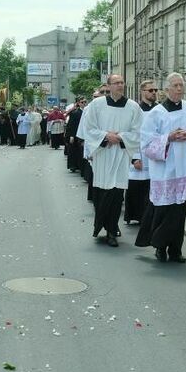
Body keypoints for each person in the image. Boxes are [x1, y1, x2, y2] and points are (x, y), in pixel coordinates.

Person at [136, 73, 186, 263]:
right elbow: (146, 142)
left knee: (181, 210)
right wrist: (168, 137)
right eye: (175, 85)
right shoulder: (156, 113)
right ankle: (160, 248)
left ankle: (176, 250)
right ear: (166, 89)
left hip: (185, 169)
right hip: (165, 170)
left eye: (181, 85)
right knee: (164, 210)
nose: (179, 89)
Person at [80, 74, 145, 247]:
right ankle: (101, 225)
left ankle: (111, 230)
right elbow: (88, 128)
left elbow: (138, 131)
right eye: (116, 83)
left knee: (116, 194)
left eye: (122, 82)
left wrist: (120, 137)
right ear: (108, 86)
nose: (120, 85)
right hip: (103, 154)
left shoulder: (133, 107)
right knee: (102, 193)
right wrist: (106, 136)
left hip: (120, 155)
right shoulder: (97, 105)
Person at [124, 81, 158, 226]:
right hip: (140, 154)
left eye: (155, 90)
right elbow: (132, 135)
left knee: (152, 187)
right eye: (151, 90)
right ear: (143, 92)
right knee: (137, 187)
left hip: (156, 155)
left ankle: (150, 216)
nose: (154, 92)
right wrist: (134, 158)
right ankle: (135, 215)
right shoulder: (136, 110)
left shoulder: (160, 110)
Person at [65, 98, 86, 170]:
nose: (84, 104)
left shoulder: (88, 112)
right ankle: (73, 165)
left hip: (84, 134)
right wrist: (71, 135)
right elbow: (71, 125)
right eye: (82, 102)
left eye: (85, 102)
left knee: (81, 152)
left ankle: (80, 166)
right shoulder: (75, 113)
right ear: (79, 103)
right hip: (75, 133)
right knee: (74, 150)